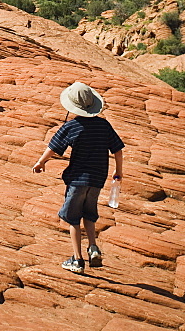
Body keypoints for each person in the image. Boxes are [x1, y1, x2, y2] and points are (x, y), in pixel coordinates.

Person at [32, 81, 124, 276]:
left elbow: (53, 147)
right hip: (98, 179)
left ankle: (77, 259)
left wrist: (41, 163)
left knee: (73, 218)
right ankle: (93, 248)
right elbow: (118, 150)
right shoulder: (104, 125)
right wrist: (119, 171)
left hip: (77, 180)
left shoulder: (72, 126)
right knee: (89, 214)